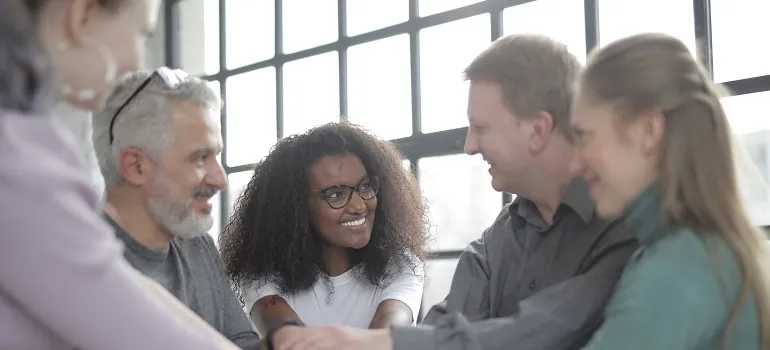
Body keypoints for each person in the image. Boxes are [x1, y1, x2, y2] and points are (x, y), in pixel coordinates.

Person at [254, 34, 640, 350]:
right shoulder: (499, 240)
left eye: (481, 128)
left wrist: (374, 342)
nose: (470, 146)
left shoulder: (630, 226)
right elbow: (445, 327)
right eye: (334, 195)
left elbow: (546, 330)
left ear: (538, 130)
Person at [0, 0, 241, 348]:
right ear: (83, 14)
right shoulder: (19, 160)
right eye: (142, 33)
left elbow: (126, 289)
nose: (138, 63)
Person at [570, 33, 770, 349]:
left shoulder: (678, 269)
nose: (575, 165)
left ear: (648, 131)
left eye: (585, 136)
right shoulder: (704, 253)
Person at [91, 68, 261, 349]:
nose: (220, 179)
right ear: (136, 166)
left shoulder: (197, 245)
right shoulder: (80, 267)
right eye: (200, 157)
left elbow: (240, 340)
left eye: (216, 156)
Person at [219, 122, 429, 340]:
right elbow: (288, 338)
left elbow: (386, 336)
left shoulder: (401, 265)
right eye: (336, 195)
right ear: (297, 208)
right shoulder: (262, 273)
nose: (360, 206)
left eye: (365, 186)